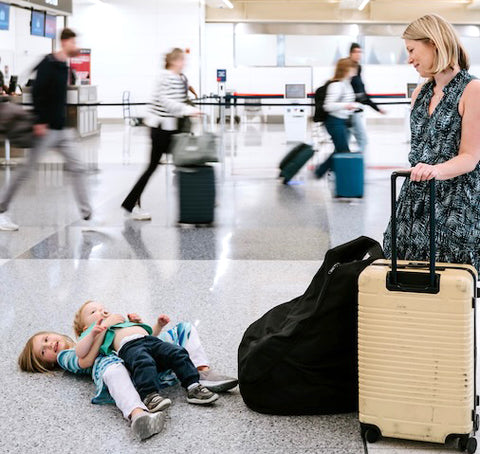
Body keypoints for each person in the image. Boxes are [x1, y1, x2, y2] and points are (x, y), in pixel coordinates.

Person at [383, 14, 480, 272]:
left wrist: (435, 170)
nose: (409, 59)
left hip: (454, 203)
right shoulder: (420, 93)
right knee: (402, 268)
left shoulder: (472, 90)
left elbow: (470, 157)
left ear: (434, 43)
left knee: (448, 276)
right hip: (414, 199)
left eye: (412, 50)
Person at [0, 29, 92, 231]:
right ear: (65, 42)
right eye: (74, 42)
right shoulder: (48, 63)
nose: (76, 46)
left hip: (63, 131)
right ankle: (1, 210)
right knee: (26, 170)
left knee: (78, 168)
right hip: (46, 130)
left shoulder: (64, 67)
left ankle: (87, 215)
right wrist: (39, 121)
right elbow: (37, 91)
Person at [74, 300, 234, 410]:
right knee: (143, 362)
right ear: (85, 326)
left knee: (177, 352)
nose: (102, 312)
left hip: (150, 341)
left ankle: (193, 386)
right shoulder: (93, 332)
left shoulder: (121, 323)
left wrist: (157, 325)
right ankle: (150, 395)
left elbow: (152, 334)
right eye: (93, 312)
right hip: (129, 348)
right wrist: (97, 329)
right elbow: (80, 352)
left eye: (102, 308)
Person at [18, 325, 166, 441]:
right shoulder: (64, 357)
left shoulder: (80, 342)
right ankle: (138, 416)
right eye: (43, 352)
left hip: (122, 360)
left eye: (46, 339)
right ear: (49, 364)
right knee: (116, 375)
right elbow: (86, 361)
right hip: (108, 368)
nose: (49, 345)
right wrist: (100, 333)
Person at [121, 48, 200, 220]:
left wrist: (187, 109)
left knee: (181, 162)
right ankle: (131, 204)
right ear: (174, 61)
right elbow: (167, 101)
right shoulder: (166, 77)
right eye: (182, 60)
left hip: (169, 129)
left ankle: (131, 204)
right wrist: (187, 109)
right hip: (161, 130)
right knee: (159, 166)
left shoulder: (176, 77)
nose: (184, 63)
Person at [314, 58, 361, 179]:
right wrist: (347, 105)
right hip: (334, 122)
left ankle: (323, 172)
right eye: (353, 68)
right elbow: (328, 106)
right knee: (343, 151)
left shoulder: (346, 83)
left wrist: (352, 106)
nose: (355, 70)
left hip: (342, 121)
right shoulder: (336, 85)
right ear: (346, 69)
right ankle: (332, 175)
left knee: (339, 150)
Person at [348, 43, 386, 153]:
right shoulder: (347, 67)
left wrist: (376, 108)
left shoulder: (358, 68)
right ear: (351, 53)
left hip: (354, 109)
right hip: (350, 110)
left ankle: (330, 168)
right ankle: (357, 167)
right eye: (356, 52)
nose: (358, 54)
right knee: (362, 140)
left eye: (360, 52)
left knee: (343, 144)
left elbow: (362, 94)